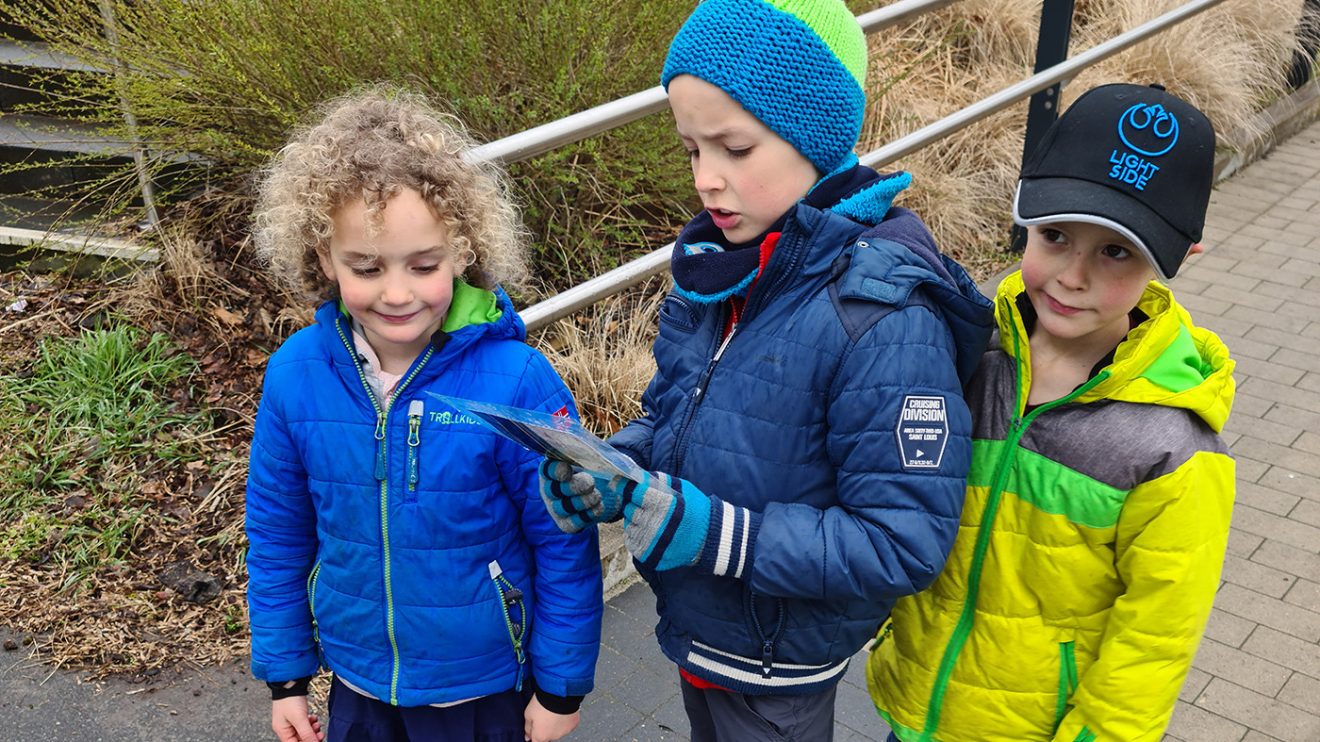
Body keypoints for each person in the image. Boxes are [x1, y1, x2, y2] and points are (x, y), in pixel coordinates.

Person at [537, 1, 994, 739]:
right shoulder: (725, 271)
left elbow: (902, 540)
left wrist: (713, 534)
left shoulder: (883, 318)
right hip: (705, 630)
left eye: (735, 149)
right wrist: (619, 465)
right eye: (692, 150)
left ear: (817, 138)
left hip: (778, 663)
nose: (706, 180)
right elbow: (679, 413)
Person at [866, 82, 1237, 742]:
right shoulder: (969, 350)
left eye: (1116, 252)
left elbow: (1156, 636)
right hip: (917, 703)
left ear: (1178, 259)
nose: (1072, 275)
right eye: (1056, 235)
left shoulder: (1173, 444)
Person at [245, 88, 602, 742]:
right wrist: (287, 677)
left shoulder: (517, 381)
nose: (398, 292)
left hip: (486, 691)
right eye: (366, 267)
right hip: (359, 685)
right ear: (325, 258)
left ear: (462, 250)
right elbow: (277, 535)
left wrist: (560, 687)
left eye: (424, 264)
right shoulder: (295, 378)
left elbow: (563, 541)